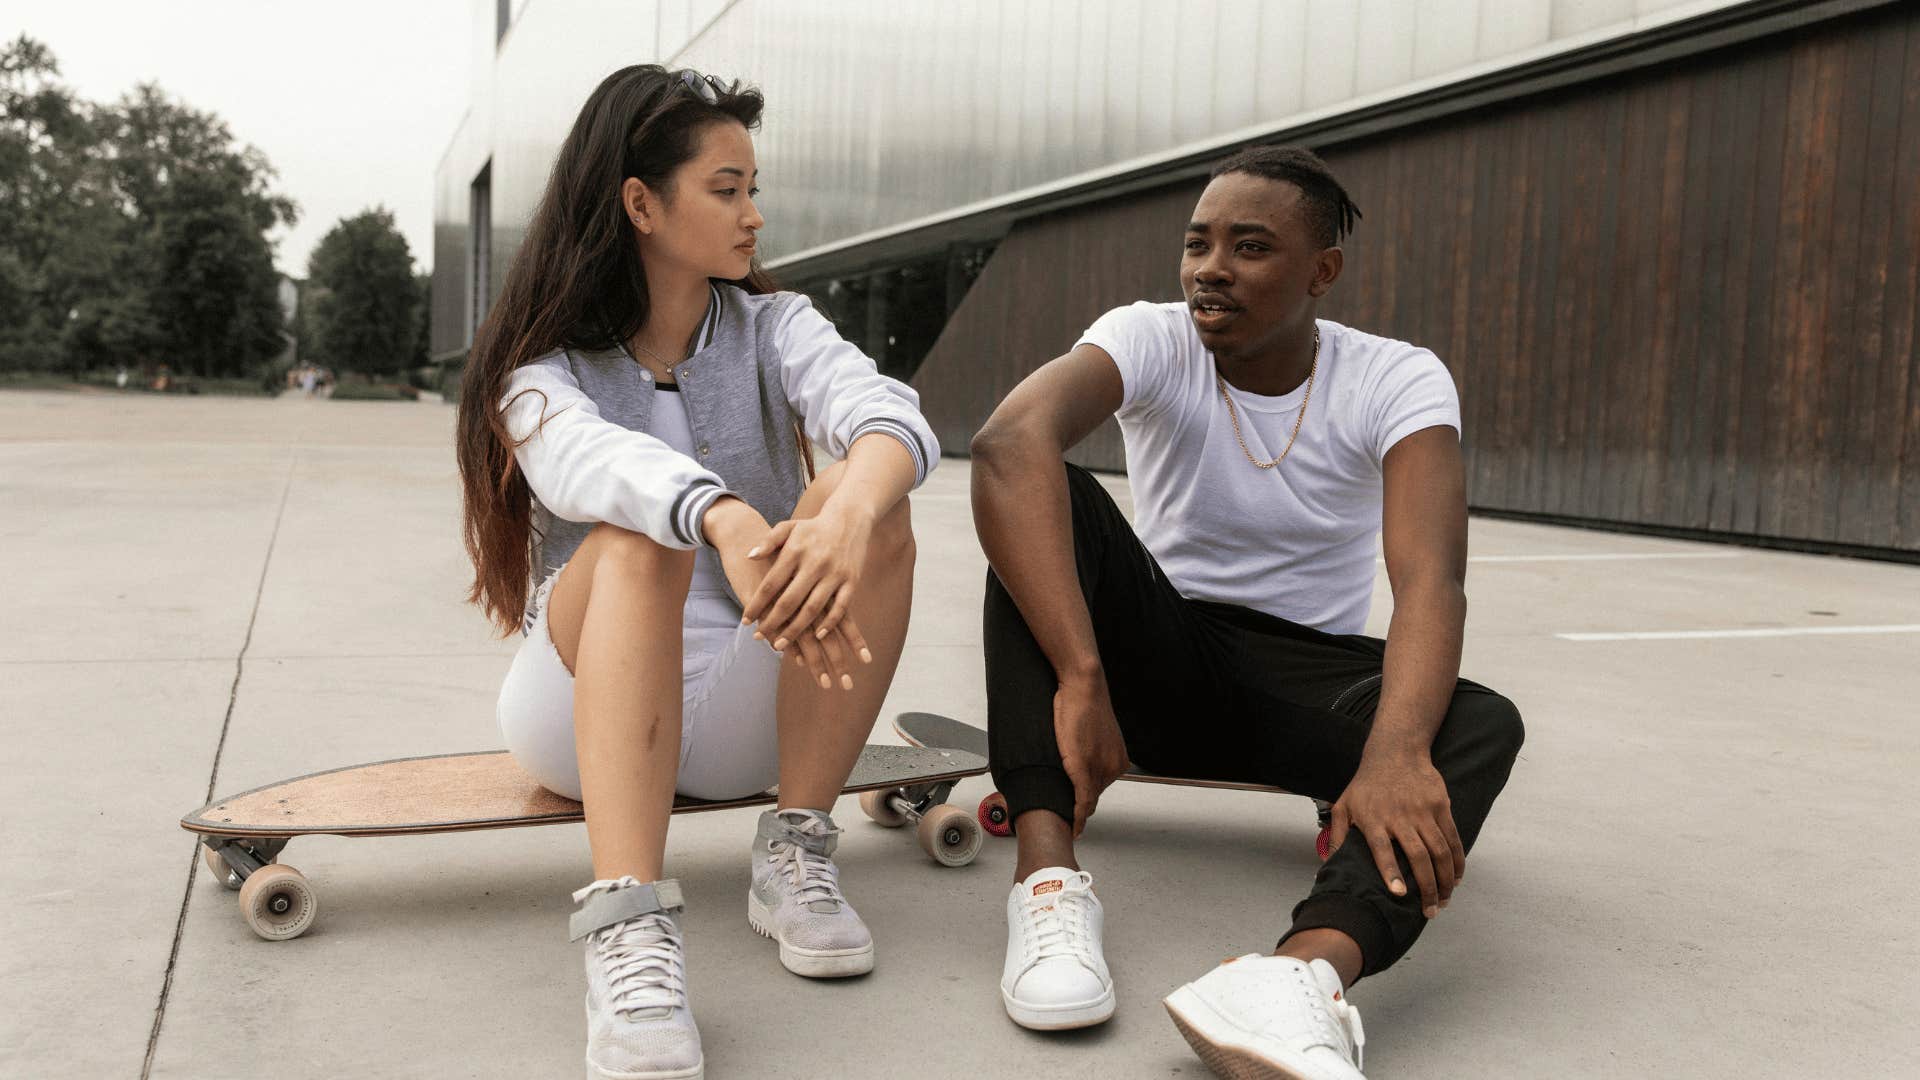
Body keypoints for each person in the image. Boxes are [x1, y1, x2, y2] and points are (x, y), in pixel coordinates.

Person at [968, 144, 1523, 1079]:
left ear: (1322, 271)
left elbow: (1431, 579)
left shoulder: (1396, 377)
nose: (1210, 269)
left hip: (1310, 680)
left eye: (1251, 247)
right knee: (1040, 497)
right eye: (1197, 244)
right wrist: (1082, 672)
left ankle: (1300, 976)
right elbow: (1006, 443)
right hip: (1162, 658)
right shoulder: (1149, 337)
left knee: (1480, 723)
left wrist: (1392, 754)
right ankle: (1049, 885)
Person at [453, 65, 937, 1080]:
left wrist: (847, 509)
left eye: (752, 188)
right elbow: (588, 464)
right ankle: (627, 926)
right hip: (577, 712)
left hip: (745, 716)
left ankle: (795, 850)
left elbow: (887, 410)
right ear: (640, 203)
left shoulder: (776, 327)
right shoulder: (542, 364)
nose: (754, 215)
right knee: (639, 533)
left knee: (876, 502)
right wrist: (717, 512)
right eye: (727, 189)